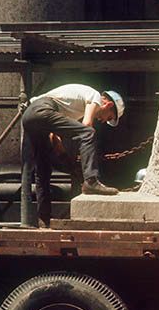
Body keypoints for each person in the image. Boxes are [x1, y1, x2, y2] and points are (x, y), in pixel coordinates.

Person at [22, 84, 124, 228]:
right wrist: (85, 165)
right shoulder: (94, 95)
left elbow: (54, 139)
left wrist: (69, 163)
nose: (104, 120)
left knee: (42, 170)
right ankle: (92, 181)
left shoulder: (71, 107)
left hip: (30, 116)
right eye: (109, 117)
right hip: (43, 110)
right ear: (107, 104)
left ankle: (44, 220)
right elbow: (87, 125)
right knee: (88, 133)